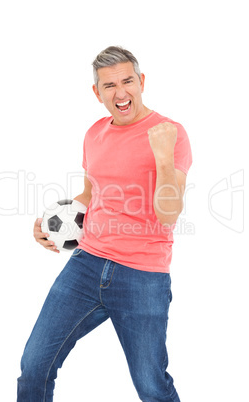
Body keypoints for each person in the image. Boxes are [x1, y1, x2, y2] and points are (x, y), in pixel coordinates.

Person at [17, 46, 192, 402]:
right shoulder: (94, 133)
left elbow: (169, 213)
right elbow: (90, 193)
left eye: (128, 81)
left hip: (142, 274)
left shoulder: (169, 133)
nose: (121, 92)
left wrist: (161, 155)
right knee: (35, 365)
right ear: (97, 93)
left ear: (141, 82)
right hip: (85, 264)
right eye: (109, 85)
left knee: (152, 386)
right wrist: (52, 224)